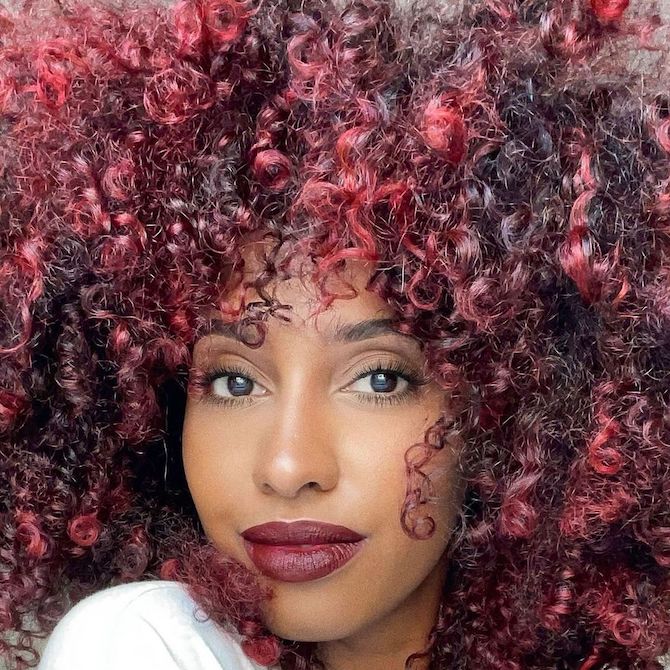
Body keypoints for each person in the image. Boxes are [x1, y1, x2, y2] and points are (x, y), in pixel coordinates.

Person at [0, 0, 669, 668]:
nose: (288, 468)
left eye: (380, 377)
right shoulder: (145, 645)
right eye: (234, 381)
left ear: (509, 414)